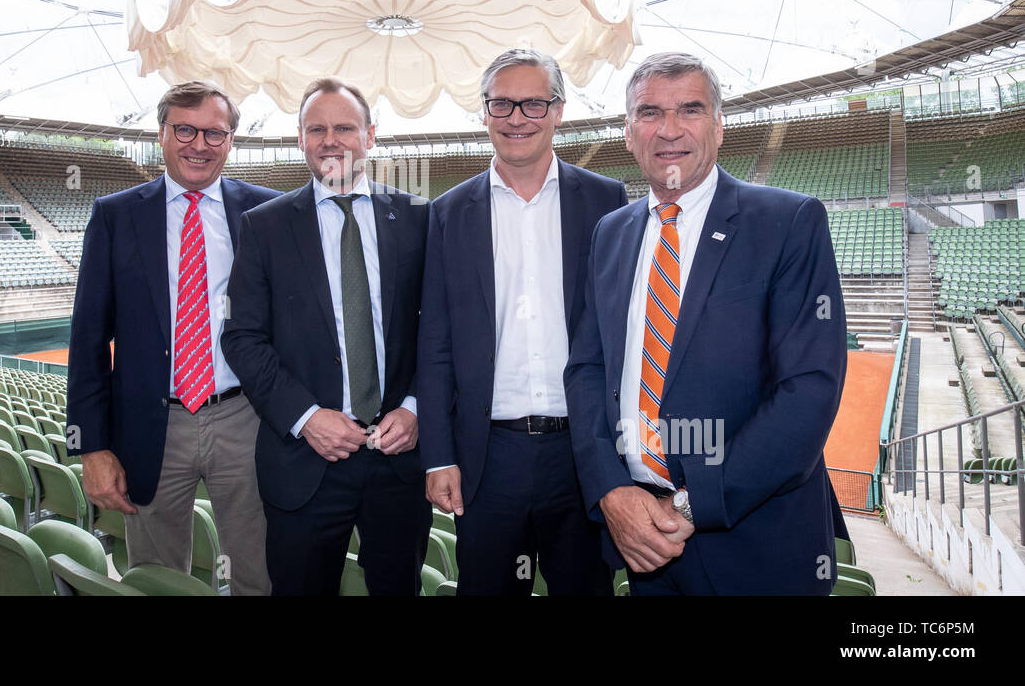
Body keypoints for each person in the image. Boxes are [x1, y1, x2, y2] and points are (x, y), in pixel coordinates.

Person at [563, 51, 848, 595]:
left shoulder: (788, 221)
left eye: (689, 110)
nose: (669, 130)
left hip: (756, 545)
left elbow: (807, 392)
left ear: (719, 126)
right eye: (649, 113)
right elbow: (586, 369)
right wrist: (611, 492)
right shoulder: (610, 233)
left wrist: (691, 505)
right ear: (628, 132)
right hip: (641, 539)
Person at [417, 48, 628, 595]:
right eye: (502, 104)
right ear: (484, 113)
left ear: (558, 111)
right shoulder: (447, 212)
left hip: (584, 451)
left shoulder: (608, 201)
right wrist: (438, 455)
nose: (517, 118)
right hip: (489, 458)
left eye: (533, 103)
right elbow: (435, 344)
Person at [221, 78, 432, 596]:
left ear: (371, 136)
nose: (330, 140)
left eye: (344, 127)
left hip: (399, 462)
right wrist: (306, 417)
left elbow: (444, 331)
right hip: (304, 464)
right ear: (300, 139)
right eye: (317, 129)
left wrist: (416, 407)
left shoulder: (419, 216)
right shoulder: (264, 226)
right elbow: (243, 338)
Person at [67, 80, 277, 595]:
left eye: (214, 133)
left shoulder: (269, 212)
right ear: (161, 134)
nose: (199, 145)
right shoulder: (115, 215)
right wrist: (90, 447)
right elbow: (88, 338)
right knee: (157, 575)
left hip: (245, 417)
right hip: (151, 423)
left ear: (231, 141)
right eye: (185, 129)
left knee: (258, 569)